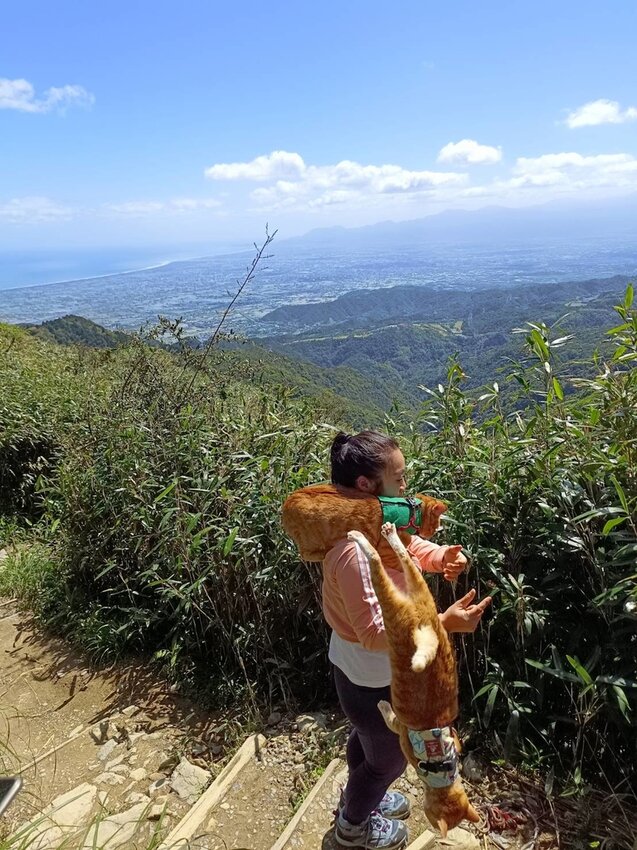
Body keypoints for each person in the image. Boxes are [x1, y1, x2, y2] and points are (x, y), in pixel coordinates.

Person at [324, 431, 492, 849]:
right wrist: (443, 624)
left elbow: (410, 545)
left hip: (372, 674)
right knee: (387, 762)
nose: (405, 486)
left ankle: (363, 800)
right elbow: (375, 632)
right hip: (372, 678)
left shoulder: (371, 519)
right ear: (366, 484)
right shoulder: (351, 552)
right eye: (398, 478)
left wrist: (442, 557)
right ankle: (352, 828)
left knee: (369, 746)